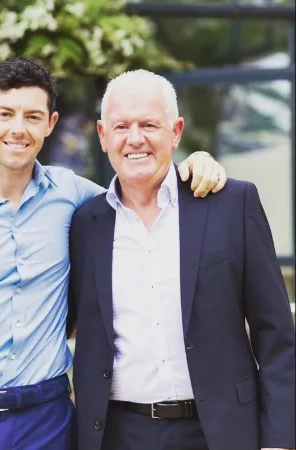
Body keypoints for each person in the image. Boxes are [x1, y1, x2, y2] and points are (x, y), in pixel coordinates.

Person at [0, 56, 226, 450]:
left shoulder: (73, 195)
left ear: (50, 124)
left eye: (33, 116)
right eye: (5, 113)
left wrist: (194, 163)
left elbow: (141, 190)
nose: (18, 129)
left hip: (50, 422)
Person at [67, 69, 296, 450]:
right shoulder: (84, 223)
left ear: (175, 132)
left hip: (221, 432)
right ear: (103, 135)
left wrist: (281, 441)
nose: (135, 138)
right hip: (117, 434)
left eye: (149, 125)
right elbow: (60, 318)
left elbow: (275, 335)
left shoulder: (232, 205)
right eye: (121, 126)